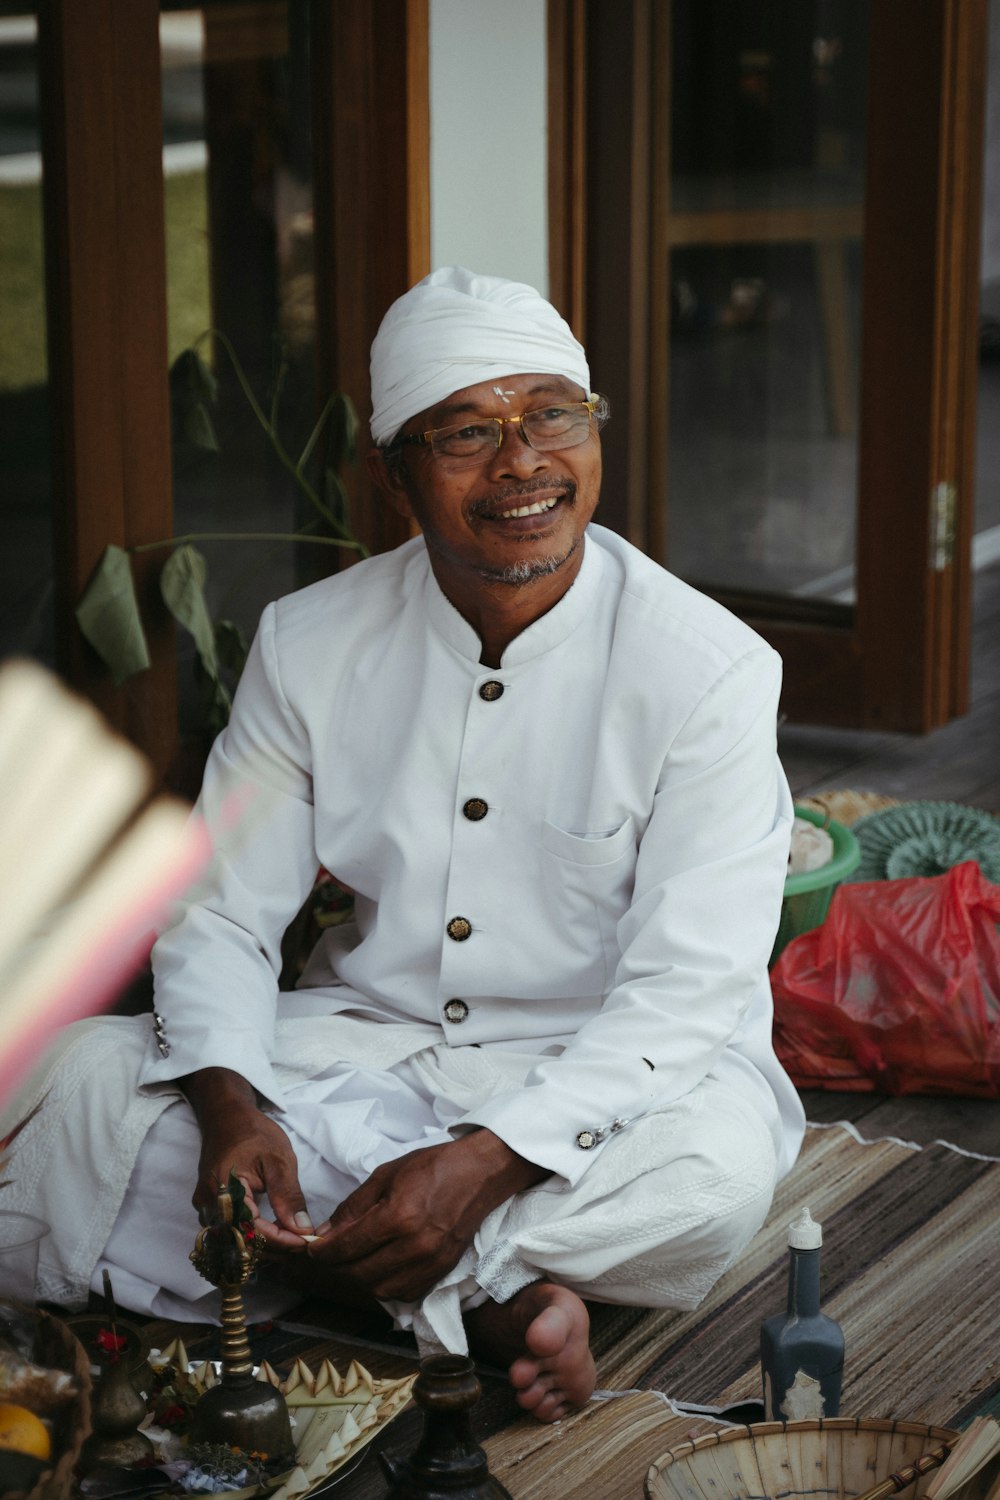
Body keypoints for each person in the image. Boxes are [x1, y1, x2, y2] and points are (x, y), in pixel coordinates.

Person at [4, 267, 804, 1424]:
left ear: (593, 432)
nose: (523, 461)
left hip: (604, 1077)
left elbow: (687, 993)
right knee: (63, 1077)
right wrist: (236, 1111)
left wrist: (482, 1163)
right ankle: (484, 1298)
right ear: (393, 473)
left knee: (715, 1181)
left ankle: (302, 1260)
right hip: (362, 1053)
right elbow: (222, 910)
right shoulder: (311, 641)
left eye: (553, 416)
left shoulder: (708, 669)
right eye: (467, 431)